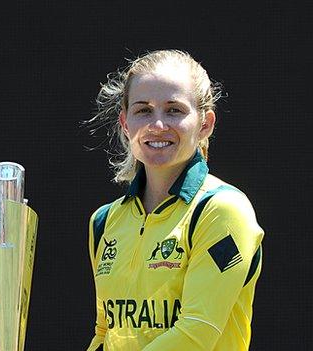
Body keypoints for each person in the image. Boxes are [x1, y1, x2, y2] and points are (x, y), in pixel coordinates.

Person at [85, 50, 264, 350]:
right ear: (125, 123)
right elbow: (105, 334)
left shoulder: (223, 210)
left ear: (205, 124)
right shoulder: (104, 223)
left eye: (174, 110)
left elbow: (195, 335)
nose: (157, 125)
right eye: (143, 110)